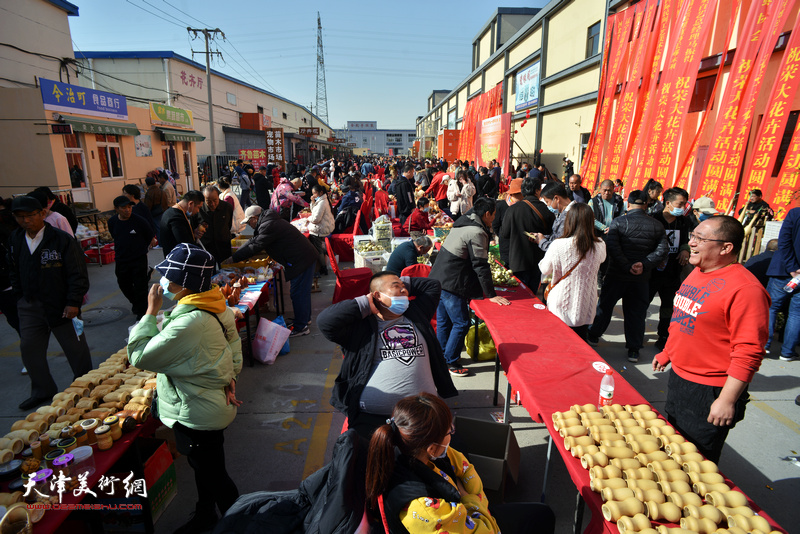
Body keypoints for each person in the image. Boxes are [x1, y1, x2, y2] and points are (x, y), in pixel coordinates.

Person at [128, 243, 242, 533]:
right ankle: (205, 516)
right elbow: (234, 347)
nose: (163, 283)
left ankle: (242, 523)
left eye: (169, 277)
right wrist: (231, 377)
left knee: (215, 475)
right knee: (205, 468)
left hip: (195, 410)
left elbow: (140, 355)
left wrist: (150, 313)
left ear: (185, 284)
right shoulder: (214, 303)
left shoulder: (191, 321)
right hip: (210, 404)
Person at [653, 216, 768, 463]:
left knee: (695, 461)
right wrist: (668, 352)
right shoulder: (698, 272)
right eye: (692, 236)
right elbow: (681, 320)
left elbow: (749, 351)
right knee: (674, 448)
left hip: (710, 390)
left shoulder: (746, 289)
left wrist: (726, 400)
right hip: (680, 379)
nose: (691, 243)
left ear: (726, 248)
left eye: (700, 239)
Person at [366, 393, 555, 534]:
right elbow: (486, 531)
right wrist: (468, 498)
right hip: (470, 518)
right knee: (541, 517)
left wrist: (468, 495)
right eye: (449, 431)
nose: (451, 433)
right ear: (431, 448)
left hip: (464, 512)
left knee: (541, 514)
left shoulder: (405, 448)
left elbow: (464, 467)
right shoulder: (424, 508)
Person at [318, 274, 456, 438]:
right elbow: (325, 321)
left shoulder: (416, 313)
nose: (404, 290)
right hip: (374, 420)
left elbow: (432, 285)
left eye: (404, 287)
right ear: (377, 295)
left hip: (424, 414)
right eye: (396, 286)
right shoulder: (360, 328)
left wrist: (398, 282)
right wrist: (365, 303)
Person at [8, 195, 92, 410]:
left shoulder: (61, 239)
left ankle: (86, 387)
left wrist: (73, 302)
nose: (26, 221)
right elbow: (14, 271)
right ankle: (42, 390)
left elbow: (77, 273)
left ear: (42, 214)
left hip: (62, 305)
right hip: (30, 305)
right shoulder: (16, 239)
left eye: (30, 216)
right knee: (29, 349)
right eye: (20, 217)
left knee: (76, 349)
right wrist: (20, 297)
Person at [430, 198, 511, 377]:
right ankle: (450, 361)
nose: (494, 218)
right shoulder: (476, 231)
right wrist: (491, 294)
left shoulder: (464, 222)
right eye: (494, 215)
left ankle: (441, 357)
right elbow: (480, 264)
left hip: (439, 277)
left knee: (445, 321)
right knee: (461, 323)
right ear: (487, 214)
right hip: (452, 282)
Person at [588, 191, 668, 362]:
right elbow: (662, 250)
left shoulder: (618, 222)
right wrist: (644, 264)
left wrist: (626, 265)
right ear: (646, 205)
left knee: (605, 306)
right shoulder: (656, 225)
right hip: (641, 278)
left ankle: (594, 335)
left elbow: (612, 246)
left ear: (628, 205)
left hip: (617, 274)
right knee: (637, 313)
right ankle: (633, 348)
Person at [232, 206, 318, 336]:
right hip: (303, 258)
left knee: (298, 293)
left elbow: (256, 245)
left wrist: (234, 258)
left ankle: (302, 326)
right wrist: (235, 254)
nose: (250, 225)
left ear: (254, 218)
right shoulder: (268, 222)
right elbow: (253, 240)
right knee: (301, 292)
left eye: (249, 222)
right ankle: (304, 320)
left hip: (301, 260)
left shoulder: (268, 225)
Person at [539, 204, 605, 340]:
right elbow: (602, 260)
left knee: (558, 342)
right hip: (586, 304)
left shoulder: (558, 244)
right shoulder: (600, 245)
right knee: (579, 344)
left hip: (561, 303)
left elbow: (545, 269)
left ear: (570, 220)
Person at [647, 187, 693, 351]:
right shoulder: (653, 219)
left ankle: (663, 336)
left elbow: (685, 240)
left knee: (668, 306)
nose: (683, 207)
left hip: (673, 272)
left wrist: (685, 249)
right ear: (668, 203)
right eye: (680, 203)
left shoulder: (683, 221)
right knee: (643, 303)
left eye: (685, 203)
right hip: (653, 272)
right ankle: (636, 335)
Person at [499, 177, 555, 290]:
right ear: (538, 191)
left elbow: (504, 233)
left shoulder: (512, 210)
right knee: (532, 294)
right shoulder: (546, 210)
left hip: (517, 261)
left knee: (520, 296)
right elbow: (552, 235)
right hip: (538, 261)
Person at [108, 195, 154, 320]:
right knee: (124, 284)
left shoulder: (139, 221)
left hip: (138, 259)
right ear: (116, 209)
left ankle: (142, 313)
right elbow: (114, 235)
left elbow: (149, 235)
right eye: (124, 208)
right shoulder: (112, 222)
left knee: (141, 286)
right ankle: (136, 303)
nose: (127, 210)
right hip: (122, 259)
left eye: (129, 207)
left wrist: (141, 248)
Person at [765, 206, 800, 360]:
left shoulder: (795, 213)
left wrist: (793, 268)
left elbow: (784, 242)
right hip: (790, 271)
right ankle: (787, 352)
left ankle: (763, 345)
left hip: (784, 271)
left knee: (771, 308)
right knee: (796, 314)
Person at [195, 186, 234, 266]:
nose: (212, 204)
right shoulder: (198, 210)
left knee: (226, 271)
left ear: (219, 197)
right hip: (206, 247)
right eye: (208, 201)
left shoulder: (227, 207)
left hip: (224, 246)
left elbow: (229, 225)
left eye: (215, 200)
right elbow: (194, 227)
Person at [160, 190, 205, 258]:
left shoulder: (172, 212)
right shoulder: (176, 218)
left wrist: (193, 234)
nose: (198, 211)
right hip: (177, 260)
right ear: (191, 204)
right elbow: (185, 243)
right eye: (198, 207)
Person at [492, 179, 523, 266]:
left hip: (520, 248)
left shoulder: (524, 206)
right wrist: (502, 235)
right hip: (507, 247)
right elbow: (495, 225)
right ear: (512, 194)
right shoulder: (502, 205)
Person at [535, 182, 574, 252]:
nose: (548, 206)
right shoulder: (564, 213)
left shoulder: (570, 216)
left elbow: (559, 249)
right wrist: (540, 237)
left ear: (556, 198)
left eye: (547, 202)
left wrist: (542, 242)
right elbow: (556, 236)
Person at [307, 183, 335, 277]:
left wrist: (308, 219)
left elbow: (316, 219)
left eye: (315, 193)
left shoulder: (322, 202)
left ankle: (323, 267)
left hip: (321, 229)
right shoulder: (321, 200)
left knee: (318, 249)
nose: (313, 195)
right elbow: (314, 211)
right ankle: (325, 263)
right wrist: (312, 202)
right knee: (321, 248)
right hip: (324, 227)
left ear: (320, 192)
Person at [143, 175, 167, 243]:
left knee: (158, 228)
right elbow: (166, 202)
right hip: (163, 211)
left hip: (155, 213)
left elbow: (147, 205)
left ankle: (161, 242)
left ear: (147, 184)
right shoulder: (162, 191)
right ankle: (164, 241)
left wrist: (147, 214)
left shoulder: (150, 193)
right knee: (163, 227)